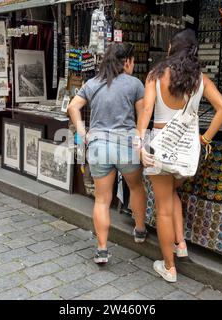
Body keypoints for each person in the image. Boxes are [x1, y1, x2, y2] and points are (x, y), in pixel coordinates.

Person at [136, 29, 222, 282]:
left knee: (163, 208)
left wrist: (138, 143)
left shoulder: (155, 75)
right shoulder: (200, 80)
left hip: (158, 147)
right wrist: (205, 139)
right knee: (172, 194)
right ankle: (180, 245)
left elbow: (146, 110)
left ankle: (169, 268)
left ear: (170, 48)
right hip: (186, 151)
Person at [68, 43, 148, 265]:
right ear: (127, 62)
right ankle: (140, 230)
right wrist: (140, 141)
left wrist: (83, 133)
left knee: (102, 200)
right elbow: (142, 116)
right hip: (126, 146)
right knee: (136, 187)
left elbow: (73, 107)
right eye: (132, 61)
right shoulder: (135, 84)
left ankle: (102, 249)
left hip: (99, 146)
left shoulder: (92, 83)